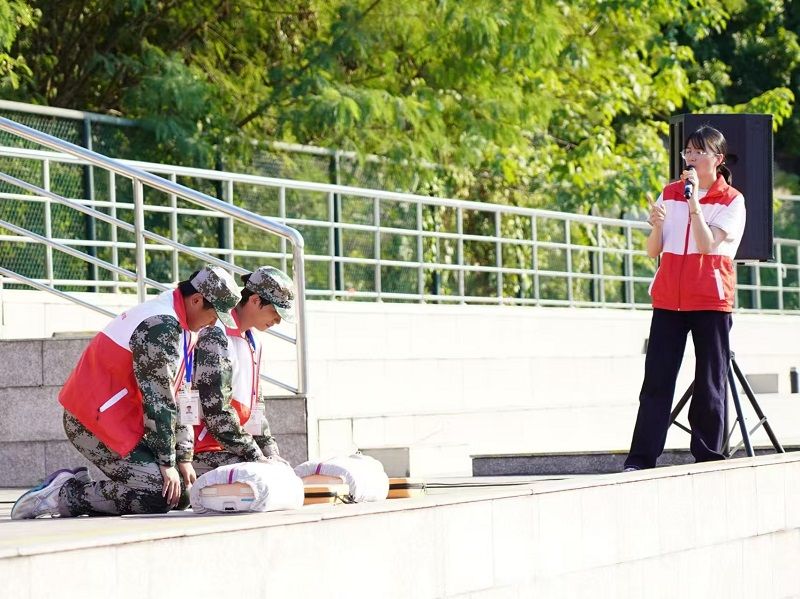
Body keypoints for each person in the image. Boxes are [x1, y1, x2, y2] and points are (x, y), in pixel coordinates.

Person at [11, 265, 241, 519]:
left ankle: (80, 486)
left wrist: (184, 457)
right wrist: (167, 462)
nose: (214, 323)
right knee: (157, 494)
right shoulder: (161, 325)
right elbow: (159, 399)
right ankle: (62, 496)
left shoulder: (184, 323)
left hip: (122, 419)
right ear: (196, 300)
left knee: (180, 494)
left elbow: (181, 393)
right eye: (214, 315)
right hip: (93, 419)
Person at [623, 125, 746, 471]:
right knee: (656, 381)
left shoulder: (732, 200)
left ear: (718, 159)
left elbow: (707, 245)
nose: (690, 158)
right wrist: (656, 225)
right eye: (687, 151)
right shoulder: (670, 192)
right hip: (669, 300)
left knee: (710, 381)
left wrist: (694, 204)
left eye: (698, 151)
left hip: (709, 300)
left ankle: (706, 455)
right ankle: (640, 458)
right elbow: (653, 251)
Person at [192, 266, 295, 476]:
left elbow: (256, 407)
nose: (278, 320)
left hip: (233, 447)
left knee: (279, 472)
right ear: (255, 300)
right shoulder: (216, 333)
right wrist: (255, 455)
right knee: (265, 476)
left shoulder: (254, 339)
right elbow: (216, 411)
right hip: (204, 449)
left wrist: (270, 452)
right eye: (276, 311)